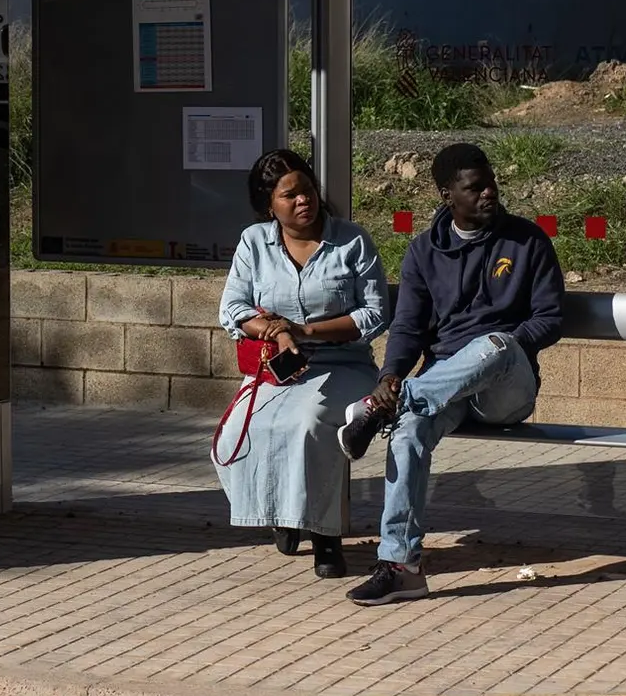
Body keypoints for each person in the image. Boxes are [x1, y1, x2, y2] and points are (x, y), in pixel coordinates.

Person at [337, 143, 565, 605]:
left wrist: (507, 344)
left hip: (505, 389)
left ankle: (383, 410)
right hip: (445, 388)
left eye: (491, 183)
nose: (489, 193)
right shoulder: (424, 251)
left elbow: (550, 319)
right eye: (474, 187)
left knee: (495, 343)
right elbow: (407, 327)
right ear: (447, 194)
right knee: (406, 434)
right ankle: (401, 568)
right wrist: (390, 375)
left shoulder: (527, 240)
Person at [214, 149, 388, 579]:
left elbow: (374, 314)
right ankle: (282, 513)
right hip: (279, 368)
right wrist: (275, 330)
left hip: (344, 365)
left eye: (307, 190)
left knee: (309, 425)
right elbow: (231, 307)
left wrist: (307, 330)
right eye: (289, 196)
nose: (303, 201)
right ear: (269, 204)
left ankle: (324, 538)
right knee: (236, 434)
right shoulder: (254, 242)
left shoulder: (352, 241)